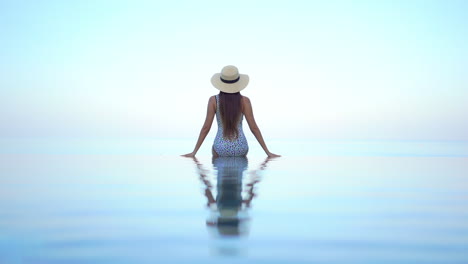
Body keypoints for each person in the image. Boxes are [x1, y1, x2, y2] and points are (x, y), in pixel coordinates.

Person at [181, 65, 280, 158]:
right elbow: (254, 128)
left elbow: (206, 128)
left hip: (220, 148)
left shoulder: (213, 100)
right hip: (241, 147)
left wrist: (194, 152)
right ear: (238, 82)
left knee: (216, 159)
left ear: (221, 82)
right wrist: (268, 152)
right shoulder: (245, 101)